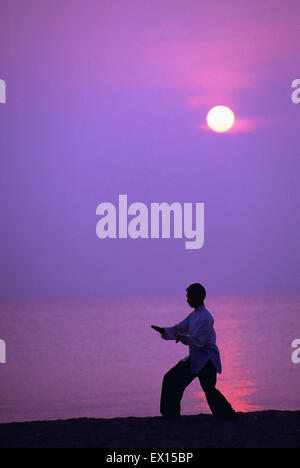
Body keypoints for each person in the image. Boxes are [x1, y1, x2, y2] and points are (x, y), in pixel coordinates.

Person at [151, 283, 238, 420]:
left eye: (189, 297)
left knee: (209, 390)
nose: (187, 300)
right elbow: (180, 327)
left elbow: (200, 341)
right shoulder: (194, 315)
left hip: (207, 360)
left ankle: (228, 416)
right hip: (196, 358)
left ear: (198, 297)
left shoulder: (206, 317)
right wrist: (165, 331)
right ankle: (170, 414)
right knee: (172, 379)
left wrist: (183, 338)